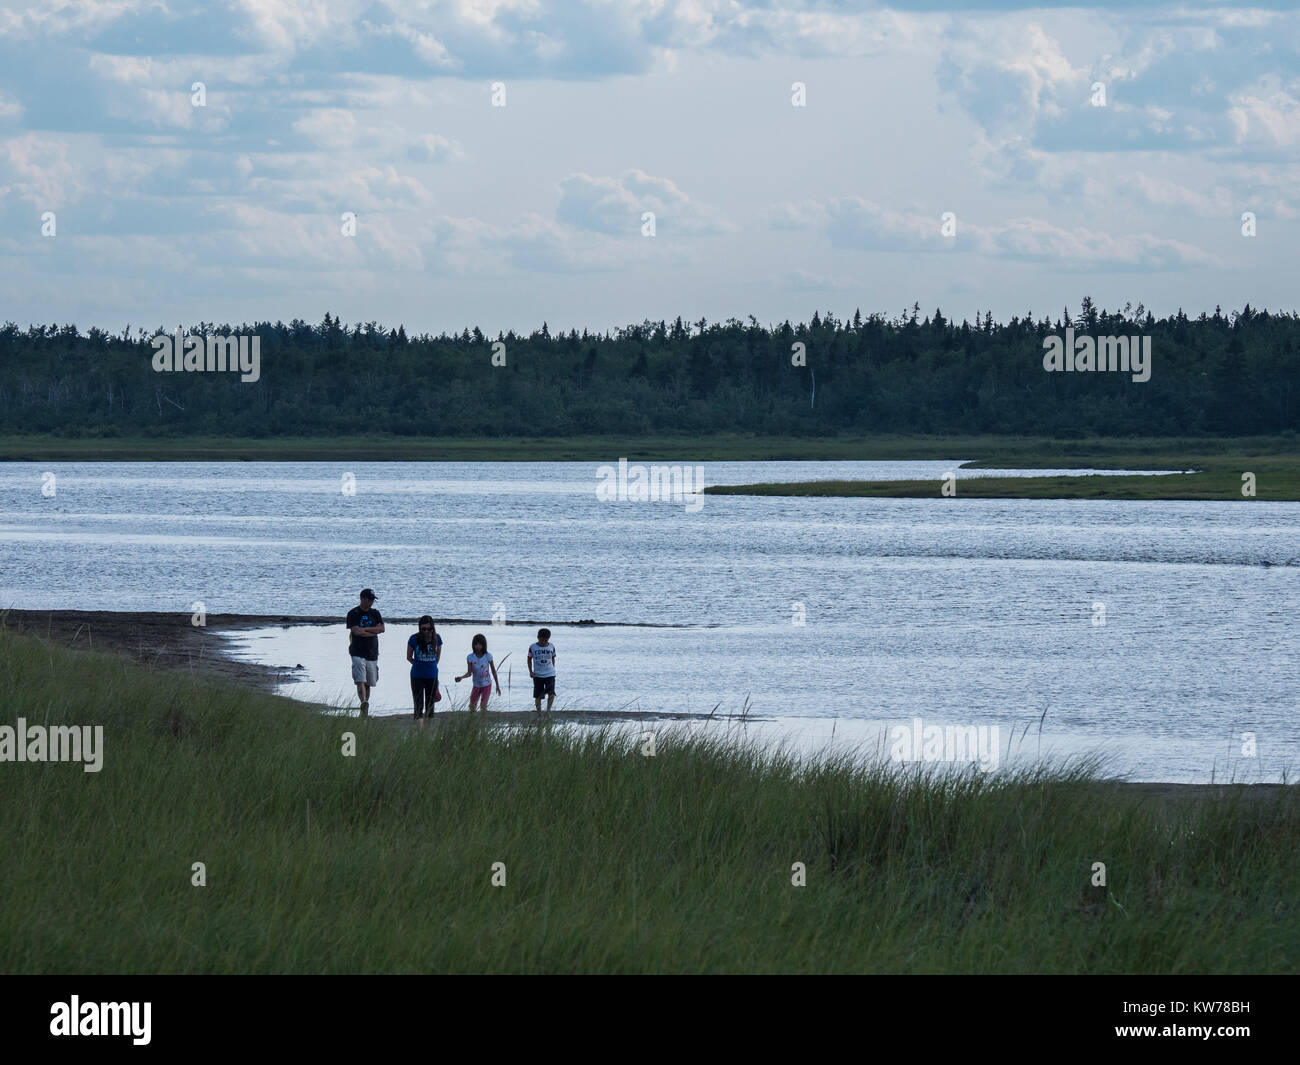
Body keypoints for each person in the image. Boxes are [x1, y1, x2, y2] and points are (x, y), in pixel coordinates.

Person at [345, 588, 384, 716]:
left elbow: (382, 629)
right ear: (362, 599)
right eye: (369, 599)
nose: (371, 602)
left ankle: (365, 704)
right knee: (360, 678)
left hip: (372, 652)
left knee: (369, 681)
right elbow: (357, 632)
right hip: (357, 651)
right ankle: (363, 701)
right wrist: (372, 631)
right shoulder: (353, 613)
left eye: (373, 600)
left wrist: (366, 629)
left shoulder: (375, 613)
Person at [406, 615, 443, 719]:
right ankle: (420, 731)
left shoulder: (437, 638)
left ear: (433, 628)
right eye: (423, 629)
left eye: (429, 629)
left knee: (430, 706)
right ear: (419, 628)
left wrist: (431, 666)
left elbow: (438, 657)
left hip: (432, 676)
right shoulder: (414, 638)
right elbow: (409, 657)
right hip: (417, 676)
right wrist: (419, 664)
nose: (426, 631)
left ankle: (428, 730)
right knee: (418, 706)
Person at [455, 633, 501, 711]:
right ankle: (473, 721)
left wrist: (497, 685)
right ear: (473, 645)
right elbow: (469, 673)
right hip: (476, 685)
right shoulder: (470, 657)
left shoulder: (488, 656)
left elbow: (493, 671)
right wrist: (461, 677)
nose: (478, 646)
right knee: (472, 706)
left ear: (484, 645)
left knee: (483, 706)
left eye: (480, 644)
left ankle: (483, 720)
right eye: (476, 644)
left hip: (487, 685)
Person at [528, 628, 557, 713]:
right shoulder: (532, 647)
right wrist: (530, 671)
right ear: (538, 637)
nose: (543, 642)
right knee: (538, 695)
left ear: (548, 638)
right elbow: (529, 659)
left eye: (546, 640)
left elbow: (553, 658)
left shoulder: (551, 646)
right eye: (542, 640)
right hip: (538, 675)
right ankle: (539, 713)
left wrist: (553, 668)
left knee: (551, 693)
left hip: (550, 674)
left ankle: (548, 711)